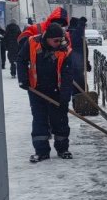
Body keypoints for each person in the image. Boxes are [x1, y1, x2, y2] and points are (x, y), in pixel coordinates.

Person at [16, 22, 73, 162]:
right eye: (56, 40)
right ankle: (41, 151)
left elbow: (67, 75)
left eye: (61, 40)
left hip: (56, 91)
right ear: (47, 38)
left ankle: (63, 149)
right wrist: (23, 79)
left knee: (60, 120)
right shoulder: (32, 43)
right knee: (39, 120)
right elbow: (21, 59)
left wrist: (65, 96)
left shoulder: (65, 50)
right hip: (36, 89)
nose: (59, 43)